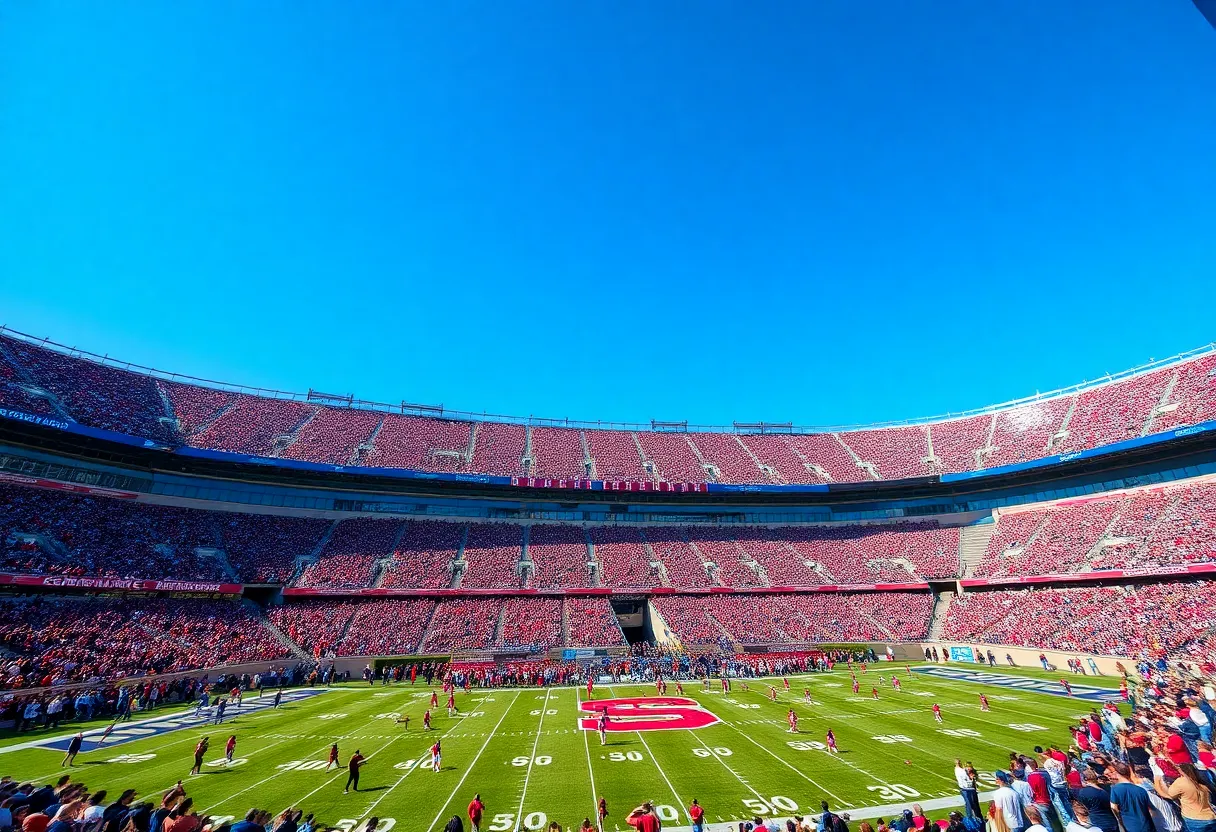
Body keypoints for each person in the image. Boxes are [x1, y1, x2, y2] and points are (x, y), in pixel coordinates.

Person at [1152, 762, 1216, 832]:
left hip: (1194, 819)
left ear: (1181, 772)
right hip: (1211, 817)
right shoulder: (1203, 784)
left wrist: (1157, 780)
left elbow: (1169, 794)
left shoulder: (1181, 782)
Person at [1107, 762, 1157, 832]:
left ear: (1117, 773)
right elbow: (1152, 811)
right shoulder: (1141, 790)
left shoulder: (1115, 789)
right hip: (1147, 826)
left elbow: (1113, 808)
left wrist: (1120, 822)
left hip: (1131, 826)